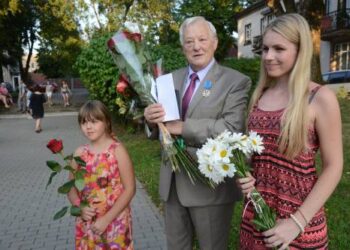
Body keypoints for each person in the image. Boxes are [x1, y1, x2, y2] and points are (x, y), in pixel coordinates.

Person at [236, 13, 343, 250]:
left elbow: (334, 166)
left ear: (300, 50)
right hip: (256, 220)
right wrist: (244, 174)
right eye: (264, 49)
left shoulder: (319, 98)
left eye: (278, 49)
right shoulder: (259, 96)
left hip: (298, 224)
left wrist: (296, 222)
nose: (269, 56)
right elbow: (256, 157)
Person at [144, 16, 251, 250]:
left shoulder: (236, 82)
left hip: (209, 187)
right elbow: (159, 128)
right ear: (183, 47)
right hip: (172, 185)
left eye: (202, 39)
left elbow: (232, 129)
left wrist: (182, 127)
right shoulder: (166, 80)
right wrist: (151, 121)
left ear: (214, 42)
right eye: (189, 41)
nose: (196, 46)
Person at [67, 100, 135, 249]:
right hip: (88, 221)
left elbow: (130, 189)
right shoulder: (79, 153)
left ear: (107, 122)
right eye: (84, 122)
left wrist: (106, 219)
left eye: (94, 121)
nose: (88, 127)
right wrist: (79, 207)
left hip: (115, 220)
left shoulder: (117, 150)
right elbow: (71, 188)